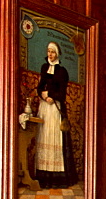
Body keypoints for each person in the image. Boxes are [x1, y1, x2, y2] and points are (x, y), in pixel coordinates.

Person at [33, 41, 78, 188]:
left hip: (55, 108)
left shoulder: (62, 71)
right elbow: (39, 87)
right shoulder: (44, 67)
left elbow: (62, 93)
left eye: (52, 52)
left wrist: (51, 95)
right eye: (48, 51)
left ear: (57, 54)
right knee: (44, 137)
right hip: (44, 107)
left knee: (55, 139)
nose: (50, 55)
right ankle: (43, 177)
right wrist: (43, 96)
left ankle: (57, 179)